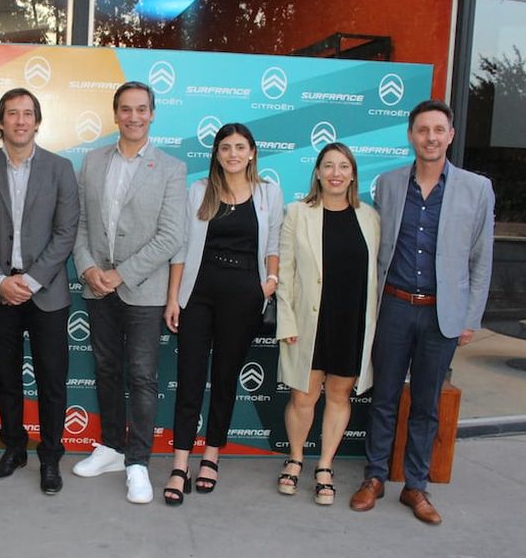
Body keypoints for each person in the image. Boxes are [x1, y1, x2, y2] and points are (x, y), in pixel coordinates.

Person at [350, 100, 494, 525]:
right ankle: (375, 476)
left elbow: (481, 260)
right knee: (384, 398)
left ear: (450, 135)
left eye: (438, 130)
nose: (430, 137)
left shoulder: (476, 188)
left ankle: (416, 486)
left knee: (427, 404)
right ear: (410, 136)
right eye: (422, 130)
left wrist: (470, 318)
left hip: (441, 315)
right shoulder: (390, 184)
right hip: (393, 305)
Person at [71, 81, 187, 504]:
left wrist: (119, 274)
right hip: (97, 287)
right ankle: (112, 448)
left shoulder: (171, 168)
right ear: (115, 113)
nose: (133, 116)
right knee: (106, 369)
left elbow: (172, 235)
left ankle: (138, 461)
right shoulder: (93, 162)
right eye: (125, 109)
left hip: (143, 289)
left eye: (141, 109)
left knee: (141, 376)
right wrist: (87, 268)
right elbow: (80, 224)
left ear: (152, 114)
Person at [163, 122, 282, 506]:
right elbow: (180, 248)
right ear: (216, 154)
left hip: (245, 296)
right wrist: (173, 299)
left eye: (240, 147)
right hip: (198, 294)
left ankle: (212, 455)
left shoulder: (269, 193)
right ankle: (180, 463)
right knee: (190, 380)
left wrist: (270, 282)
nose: (233, 153)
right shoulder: (199, 191)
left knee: (226, 379)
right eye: (226, 147)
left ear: (252, 153)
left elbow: (274, 242)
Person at [0, 88, 78, 495]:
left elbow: (66, 233)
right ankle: (14, 448)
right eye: (12, 114)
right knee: (6, 379)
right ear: (0, 122)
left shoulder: (60, 169)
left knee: (52, 381)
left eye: (27, 113)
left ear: (38, 121)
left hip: (46, 293)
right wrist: (1, 281)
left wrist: (30, 282)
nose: (20, 120)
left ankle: (50, 457)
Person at [274, 143, 380, 505]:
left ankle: (324, 466)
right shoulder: (297, 213)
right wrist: (286, 320)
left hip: (351, 320)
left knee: (339, 395)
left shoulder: (369, 217)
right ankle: (295, 458)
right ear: (317, 172)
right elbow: (284, 272)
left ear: (353, 174)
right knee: (303, 396)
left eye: (344, 166)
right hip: (308, 320)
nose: (336, 173)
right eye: (329, 166)